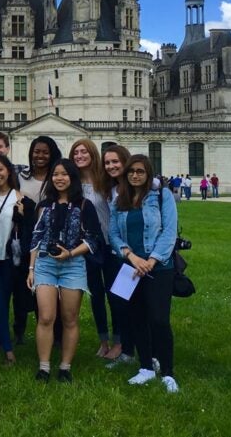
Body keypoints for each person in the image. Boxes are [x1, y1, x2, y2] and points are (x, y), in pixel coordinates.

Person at [109, 154, 181, 393]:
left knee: (159, 320)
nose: (135, 175)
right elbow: (113, 235)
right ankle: (146, 367)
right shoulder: (120, 199)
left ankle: (168, 372)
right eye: (131, 172)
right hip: (130, 267)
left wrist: (151, 260)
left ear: (148, 174)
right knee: (136, 318)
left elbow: (169, 232)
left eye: (140, 171)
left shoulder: (162, 196)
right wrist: (131, 256)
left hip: (159, 268)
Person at [27, 159, 102, 383]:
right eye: (56, 174)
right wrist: (31, 268)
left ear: (73, 178)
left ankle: (65, 366)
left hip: (73, 263)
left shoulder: (84, 205)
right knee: (46, 316)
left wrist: (70, 253)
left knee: (70, 318)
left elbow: (93, 238)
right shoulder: (44, 206)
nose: (59, 178)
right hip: (45, 263)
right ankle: (44, 366)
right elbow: (36, 237)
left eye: (64, 174)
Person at [0, 154, 36, 365]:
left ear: (9, 172)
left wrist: (22, 216)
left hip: (12, 259)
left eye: (0, 170)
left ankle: (6, 341)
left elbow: (29, 233)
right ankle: (8, 349)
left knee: (16, 302)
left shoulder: (23, 200)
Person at [71, 138, 122, 362]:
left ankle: (119, 341)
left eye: (83, 152)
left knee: (116, 293)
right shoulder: (73, 185)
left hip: (111, 243)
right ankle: (103, 341)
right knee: (96, 295)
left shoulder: (106, 181)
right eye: (75, 153)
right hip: (89, 245)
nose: (79, 156)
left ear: (93, 154)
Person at [101, 144, 136, 368]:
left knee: (139, 304)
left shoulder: (142, 187)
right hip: (118, 254)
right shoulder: (111, 189)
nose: (112, 166)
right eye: (107, 163)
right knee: (120, 302)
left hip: (138, 255)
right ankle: (127, 349)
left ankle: (147, 352)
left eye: (116, 161)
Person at [19, 136, 61, 204]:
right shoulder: (22, 175)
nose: (40, 156)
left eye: (46, 153)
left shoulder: (58, 177)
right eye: (36, 152)